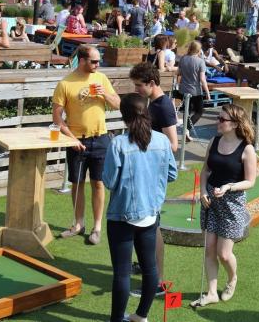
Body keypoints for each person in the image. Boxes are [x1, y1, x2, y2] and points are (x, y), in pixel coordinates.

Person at [104, 94, 178, 322]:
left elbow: (109, 181)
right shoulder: (162, 141)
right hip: (150, 214)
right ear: (145, 112)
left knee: (122, 272)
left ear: (123, 116)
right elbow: (172, 174)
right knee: (150, 268)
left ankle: (118, 319)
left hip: (121, 216)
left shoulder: (118, 143)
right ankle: (141, 316)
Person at [52, 45, 121, 245]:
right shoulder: (65, 83)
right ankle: (79, 223)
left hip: (100, 138)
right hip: (77, 140)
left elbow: (117, 104)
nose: (98, 65)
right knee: (77, 183)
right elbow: (57, 117)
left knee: (98, 183)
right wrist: (71, 138)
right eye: (94, 61)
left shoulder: (101, 78)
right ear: (81, 60)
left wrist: (104, 95)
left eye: (99, 61)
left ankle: (97, 227)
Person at [192, 104, 257, 308]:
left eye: (222, 120)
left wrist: (230, 186)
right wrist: (202, 190)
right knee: (209, 249)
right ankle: (212, 292)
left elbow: (251, 181)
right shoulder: (214, 141)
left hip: (232, 203)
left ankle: (232, 279)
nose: (217, 122)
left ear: (235, 123)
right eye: (218, 118)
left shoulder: (246, 149)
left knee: (224, 254)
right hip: (210, 200)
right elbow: (205, 171)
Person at [130, 63, 178, 295]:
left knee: (152, 225)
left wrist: (148, 148)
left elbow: (173, 144)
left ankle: (157, 281)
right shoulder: (154, 103)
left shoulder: (164, 106)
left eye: (139, 85)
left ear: (151, 83)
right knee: (145, 223)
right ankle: (146, 265)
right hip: (147, 171)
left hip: (154, 174)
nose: (137, 89)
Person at [177, 41, 210, 140]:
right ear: (199, 50)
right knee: (199, 111)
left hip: (183, 89)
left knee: (187, 111)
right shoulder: (200, 61)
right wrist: (207, 93)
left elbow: (178, 73)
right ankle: (186, 129)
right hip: (195, 90)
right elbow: (202, 79)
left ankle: (186, 131)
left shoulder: (183, 58)